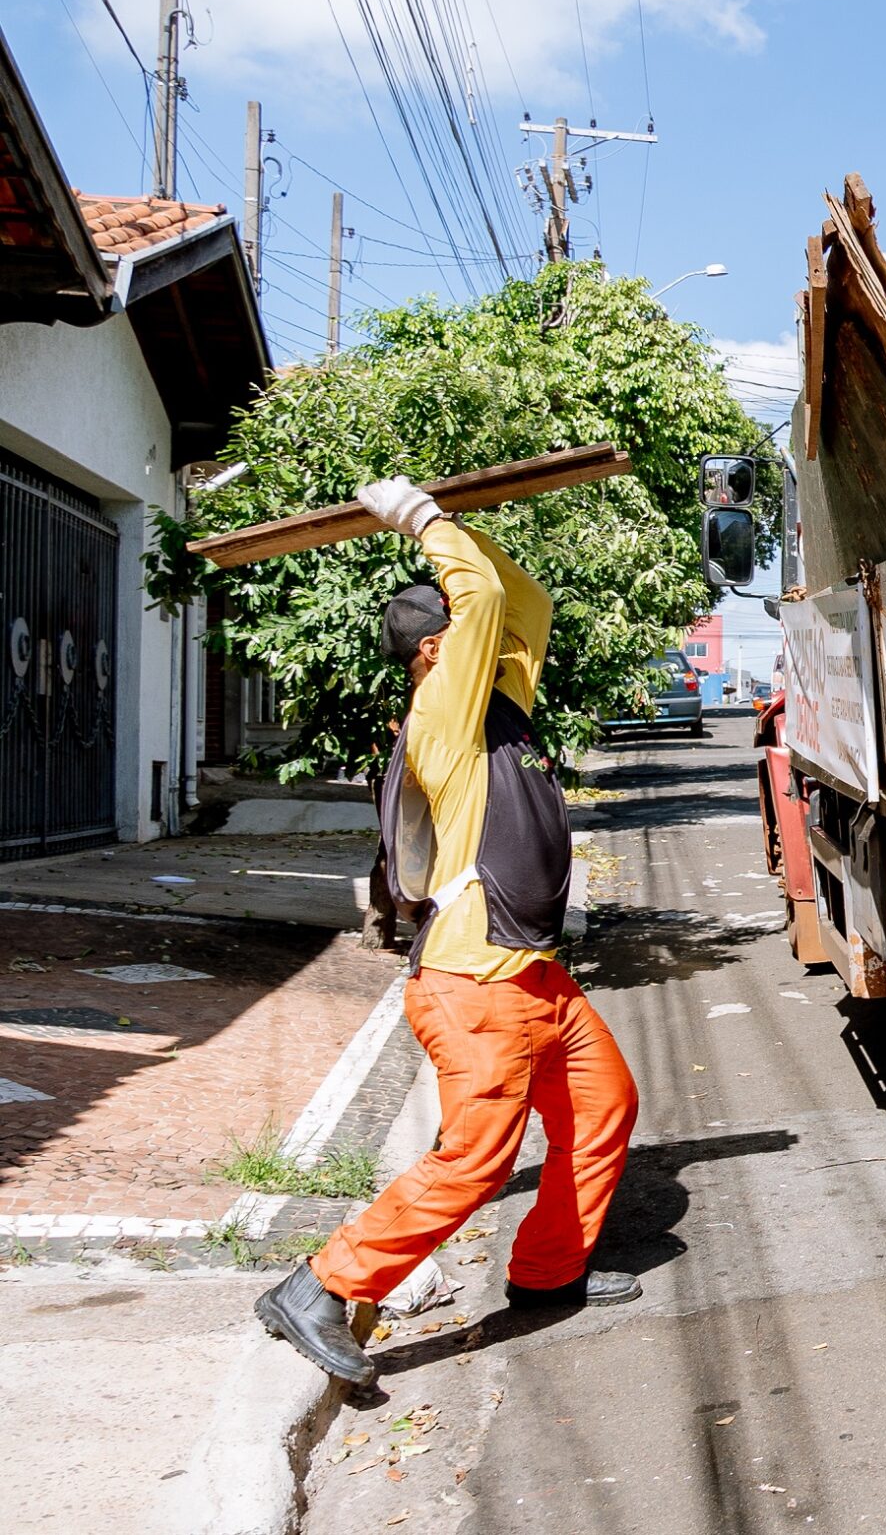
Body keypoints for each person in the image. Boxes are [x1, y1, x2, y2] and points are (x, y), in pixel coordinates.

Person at [256, 476, 641, 1390]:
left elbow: (521, 602)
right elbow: (479, 603)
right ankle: (319, 1285)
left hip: (535, 976)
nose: (500, 643)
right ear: (436, 650)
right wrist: (421, 519)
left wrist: (462, 533)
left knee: (602, 1108)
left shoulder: (502, 708)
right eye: (473, 636)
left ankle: (548, 1272)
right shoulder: (441, 722)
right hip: (477, 985)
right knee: (476, 1156)